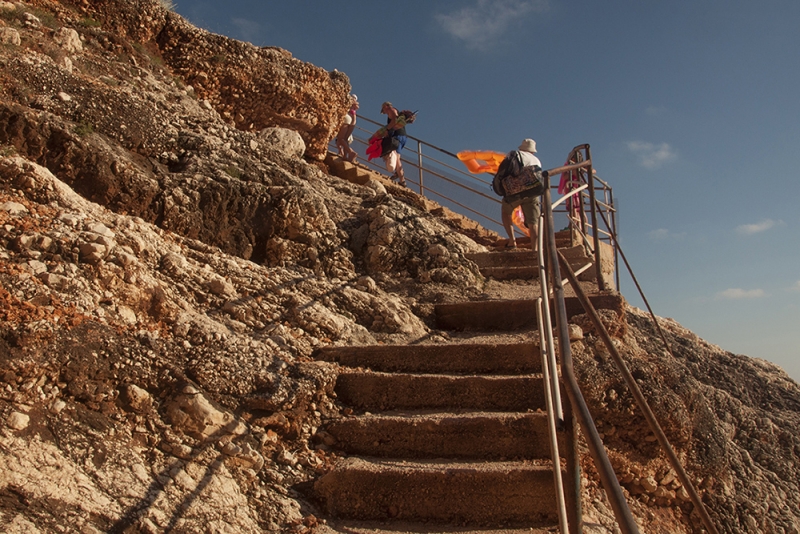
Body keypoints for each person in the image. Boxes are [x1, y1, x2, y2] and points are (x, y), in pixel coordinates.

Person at [501, 138, 541, 251]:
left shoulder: (517, 155)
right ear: (533, 151)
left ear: (522, 148)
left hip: (517, 190)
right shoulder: (537, 160)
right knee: (534, 222)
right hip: (533, 192)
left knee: (506, 211)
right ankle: (536, 249)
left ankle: (512, 241)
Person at [379, 101, 408, 186]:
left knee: (397, 157)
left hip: (398, 136)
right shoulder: (394, 111)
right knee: (397, 156)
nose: (384, 111)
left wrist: (387, 129)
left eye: (383, 109)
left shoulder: (391, 110)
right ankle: (398, 174)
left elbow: (394, 120)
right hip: (402, 136)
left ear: (386, 106)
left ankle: (402, 180)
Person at [335, 94, 359, 162]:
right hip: (348, 122)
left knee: (340, 139)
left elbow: (354, 120)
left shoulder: (350, 109)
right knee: (344, 140)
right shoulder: (352, 109)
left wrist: (351, 127)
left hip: (346, 121)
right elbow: (354, 120)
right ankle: (346, 155)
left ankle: (351, 152)